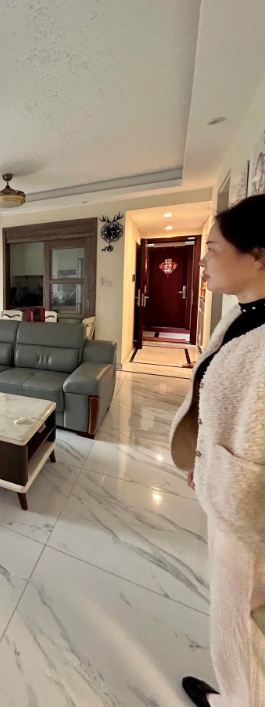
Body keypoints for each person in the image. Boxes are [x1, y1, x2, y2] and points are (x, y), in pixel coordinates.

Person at [170, 193, 265, 707]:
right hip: (228, 494)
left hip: (251, 516)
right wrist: (205, 462)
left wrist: (226, 478)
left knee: (245, 625)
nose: (203, 261)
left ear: (258, 255)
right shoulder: (242, 317)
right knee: (235, 618)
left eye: (212, 249)